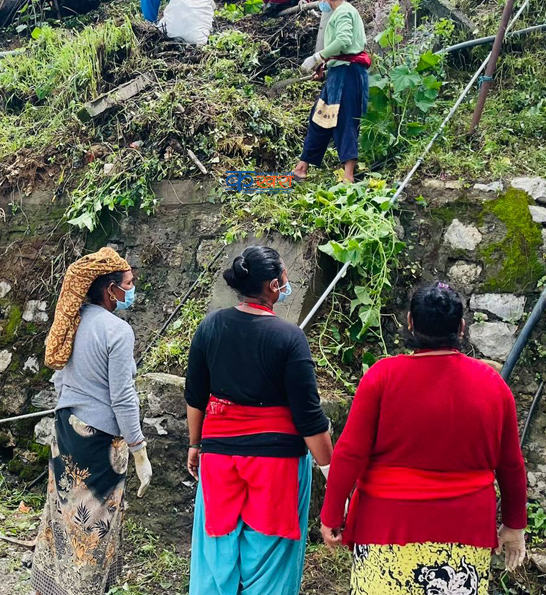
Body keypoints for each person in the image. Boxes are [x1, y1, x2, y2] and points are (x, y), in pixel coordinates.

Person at [319, 282, 527, 595]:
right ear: (461, 327)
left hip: (387, 526)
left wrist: (332, 512)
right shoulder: (491, 385)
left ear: (410, 323)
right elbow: (511, 465)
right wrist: (514, 525)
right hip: (464, 529)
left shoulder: (382, 376)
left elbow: (350, 453)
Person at [185, 245, 333, 595]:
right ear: (272, 285)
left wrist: (195, 444)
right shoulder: (288, 337)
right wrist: (331, 470)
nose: (287, 280)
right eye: (283, 275)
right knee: (270, 555)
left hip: (219, 456)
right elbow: (308, 415)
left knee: (217, 546)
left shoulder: (210, 326)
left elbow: (196, 395)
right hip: (276, 462)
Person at [33, 247, 153, 595]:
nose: (132, 290)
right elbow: (123, 397)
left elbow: (59, 379)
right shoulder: (117, 331)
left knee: (60, 515)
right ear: (110, 288)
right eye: (128, 284)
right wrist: (139, 450)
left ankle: (48, 586)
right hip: (100, 442)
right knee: (93, 526)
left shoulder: (71, 320)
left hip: (67, 429)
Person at [293, 0, 369, 183]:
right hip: (339, 74)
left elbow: (344, 42)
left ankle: (348, 177)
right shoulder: (343, 12)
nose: (318, 2)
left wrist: (318, 57)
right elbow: (343, 51)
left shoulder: (344, 11)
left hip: (349, 75)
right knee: (319, 118)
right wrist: (326, 70)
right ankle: (302, 167)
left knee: (345, 121)